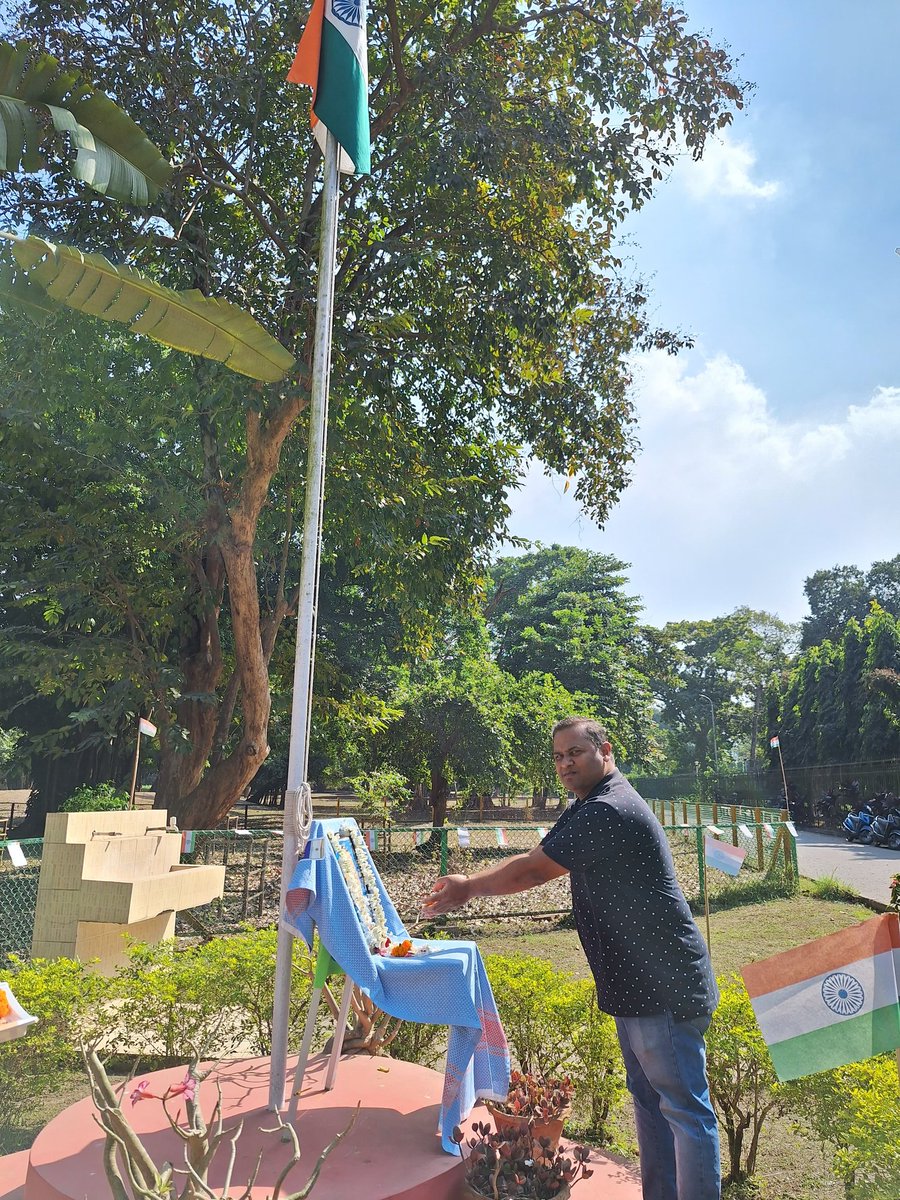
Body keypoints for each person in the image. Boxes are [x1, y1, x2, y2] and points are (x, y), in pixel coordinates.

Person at [423, 716, 720, 1200]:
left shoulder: (611, 809)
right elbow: (541, 852)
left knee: (686, 1112)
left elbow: (535, 870)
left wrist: (470, 887)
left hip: (662, 988)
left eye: (575, 753)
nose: (564, 764)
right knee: (650, 1103)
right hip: (637, 988)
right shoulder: (587, 806)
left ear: (606, 750)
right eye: (558, 757)